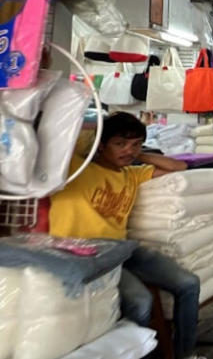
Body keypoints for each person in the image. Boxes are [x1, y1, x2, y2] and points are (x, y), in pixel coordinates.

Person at [49, 113, 203, 359]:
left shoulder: (132, 174)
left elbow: (179, 168)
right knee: (140, 303)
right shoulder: (76, 168)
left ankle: (185, 354)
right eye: (119, 143)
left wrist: (135, 154)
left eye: (135, 144)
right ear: (101, 145)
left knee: (189, 284)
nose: (128, 150)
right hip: (82, 254)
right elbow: (59, 136)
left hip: (121, 251)